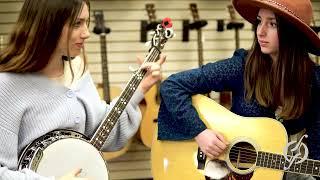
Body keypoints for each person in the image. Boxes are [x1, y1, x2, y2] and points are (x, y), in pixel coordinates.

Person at [0, 0, 166, 179]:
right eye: (76, 24)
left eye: (87, 23)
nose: (86, 33)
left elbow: (102, 134)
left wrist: (141, 87)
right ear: (47, 25)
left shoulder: (77, 70)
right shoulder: (7, 86)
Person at [157, 0, 320, 179]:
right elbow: (172, 86)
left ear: (292, 33)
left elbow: (316, 147)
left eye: (272, 24)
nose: (260, 31)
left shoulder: (314, 80)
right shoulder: (242, 66)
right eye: (259, 21)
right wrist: (200, 132)